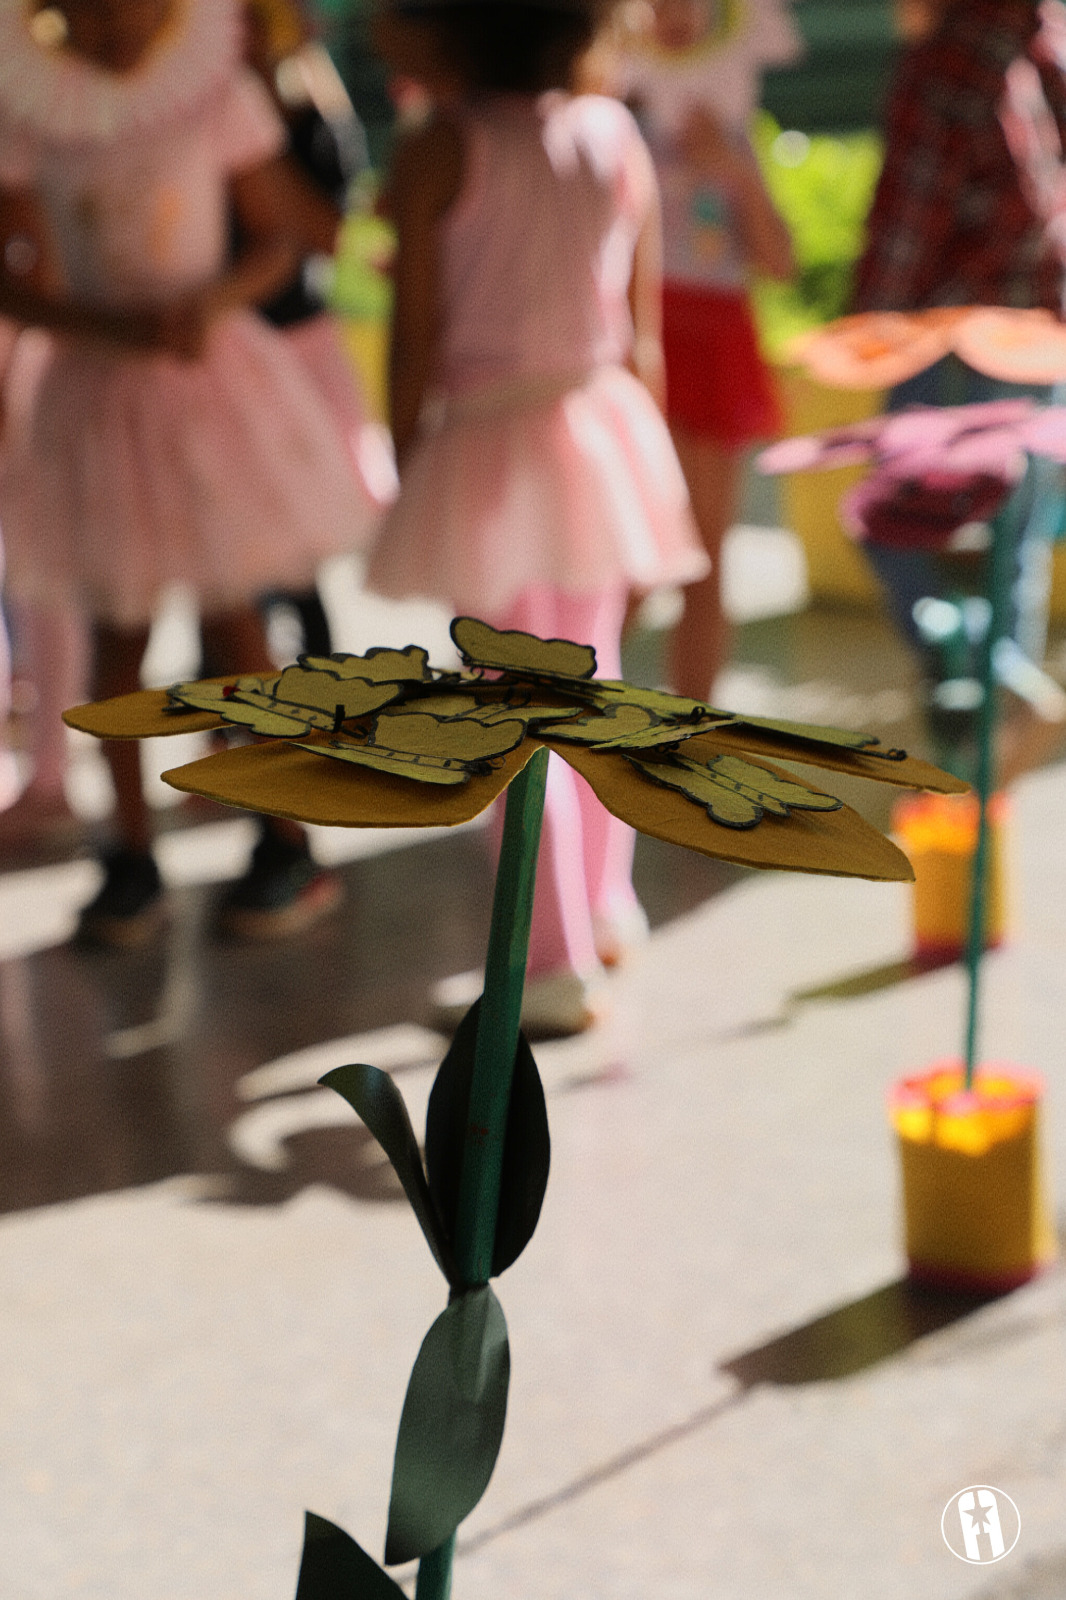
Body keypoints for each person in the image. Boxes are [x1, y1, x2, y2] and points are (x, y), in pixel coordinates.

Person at [367, 0, 709, 1034]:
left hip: (484, 438)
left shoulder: (438, 151)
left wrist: (405, 457)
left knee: (509, 712)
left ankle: (552, 961)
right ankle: (605, 909)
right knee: (592, 682)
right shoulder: (614, 135)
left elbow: (412, 342)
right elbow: (642, 338)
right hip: (600, 428)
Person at [0, 0, 371, 943]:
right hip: (100, 398)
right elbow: (17, 274)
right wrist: (102, 327)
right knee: (115, 633)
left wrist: (214, 301)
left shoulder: (211, 95)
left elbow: (277, 236)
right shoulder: (31, 111)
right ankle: (127, 852)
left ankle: (285, 840)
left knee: (236, 623)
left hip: (209, 389)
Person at [853, 0, 1066, 671]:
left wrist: (869, 334)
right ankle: (995, 733)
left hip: (960, 345)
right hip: (1040, 328)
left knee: (897, 530)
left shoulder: (953, 58)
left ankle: (990, 697)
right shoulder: (1042, 34)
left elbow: (906, 225)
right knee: (1013, 549)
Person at [619, 0, 797, 701]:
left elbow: (779, 260)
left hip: (715, 341)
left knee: (702, 558)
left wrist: (734, 168)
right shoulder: (612, 122)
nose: (673, 15)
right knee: (627, 558)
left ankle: (690, 745)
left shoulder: (733, 132)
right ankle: (554, 706)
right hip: (637, 343)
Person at [243, 0, 397, 659]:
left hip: (294, 349)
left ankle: (317, 689)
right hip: (228, 356)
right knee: (239, 553)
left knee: (293, 559)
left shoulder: (309, 126)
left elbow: (327, 231)